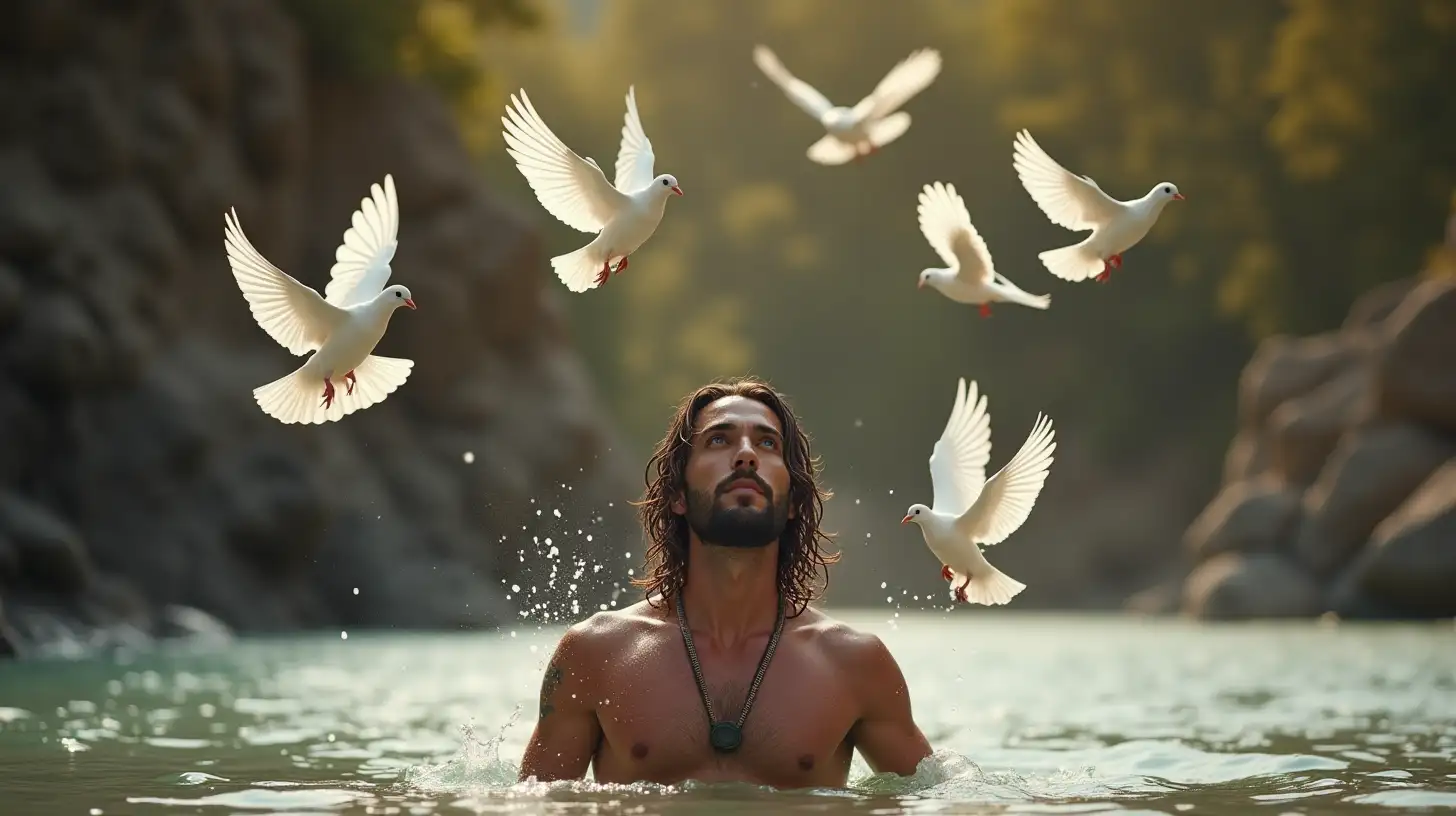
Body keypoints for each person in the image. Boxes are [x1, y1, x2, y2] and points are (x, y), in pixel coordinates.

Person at [518, 376, 934, 788]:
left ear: (792, 502)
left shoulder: (855, 664)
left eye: (768, 443)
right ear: (678, 495)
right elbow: (535, 805)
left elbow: (936, 800)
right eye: (719, 440)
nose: (747, 456)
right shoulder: (596, 653)